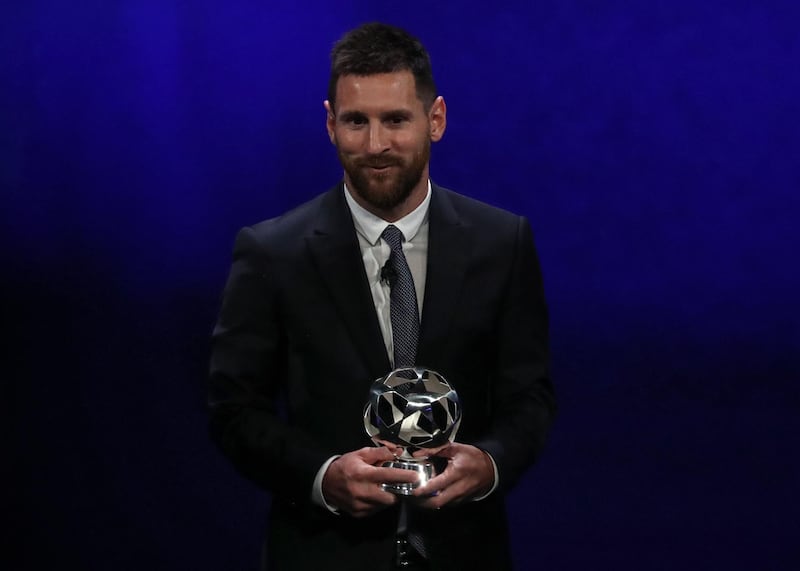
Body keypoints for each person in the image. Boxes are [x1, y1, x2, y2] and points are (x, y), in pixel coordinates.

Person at [208, 22, 556, 571]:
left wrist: (490, 463)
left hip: (464, 551)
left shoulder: (503, 243)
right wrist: (322, 476)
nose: (375, 145)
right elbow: (233, 411)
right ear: (329, 123)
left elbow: (530, 397)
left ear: (435, 119)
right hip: (323, 552)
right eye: (356, 121)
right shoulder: (272, 253)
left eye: (395, 120)